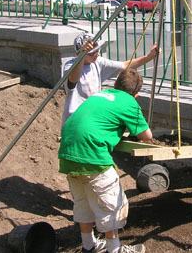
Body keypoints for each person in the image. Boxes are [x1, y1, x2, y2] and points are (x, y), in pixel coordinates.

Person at [58, 68, 152, 253]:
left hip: (68, 154)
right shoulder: (129, 102)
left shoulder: (99, 95)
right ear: (136, 94)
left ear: (115, 84)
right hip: (92, 154)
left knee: (83, 203)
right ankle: (114, 249)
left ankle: (89, 246)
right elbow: (146, 136)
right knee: (112, 203)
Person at [61, 31, 160, 127]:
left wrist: (149, 57)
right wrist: (82, 55)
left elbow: (125, 65)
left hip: (90, 119)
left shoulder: (97, 63)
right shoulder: (70, 66)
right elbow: (73, 79)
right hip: (74, 121)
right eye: (93, 52)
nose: (98, 54)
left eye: (98, 50)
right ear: (80, 54)